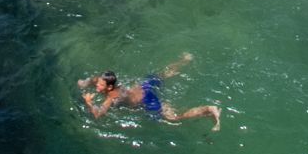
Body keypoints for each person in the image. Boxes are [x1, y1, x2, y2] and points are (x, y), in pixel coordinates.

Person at [79, 53, 221, 130]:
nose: (97, 86)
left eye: (100, 85)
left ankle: (207, 109)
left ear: (109, 87)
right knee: (161, 75)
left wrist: (89, 103)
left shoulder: (111, 96)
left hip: (148, 100)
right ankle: (185, 60)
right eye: (97, 84)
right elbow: (94, 79)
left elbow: (98, 115)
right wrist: (85, 83)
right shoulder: (108, 81)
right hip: (143, 86)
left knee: (174, 118)